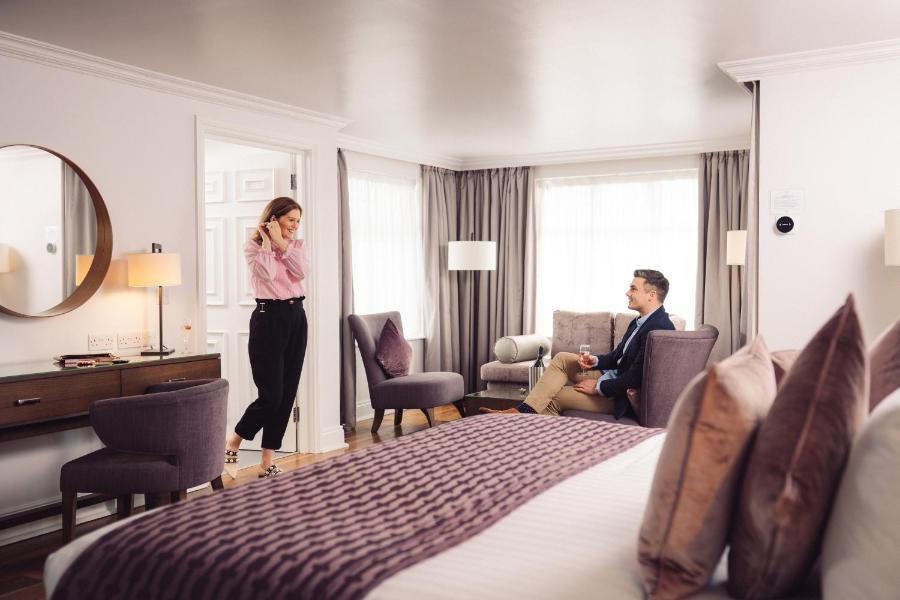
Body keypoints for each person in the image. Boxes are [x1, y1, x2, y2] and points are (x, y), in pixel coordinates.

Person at [483, 269, 674, 421]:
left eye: (633, 289)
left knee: (555, 397)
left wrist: (599, 386)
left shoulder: (659, 329)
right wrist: (595, 360)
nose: (627, 293)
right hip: (611, 376)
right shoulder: (639, 321)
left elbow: (635, 378)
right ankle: (520, 413)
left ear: (651, 295)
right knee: (562, 359)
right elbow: (617, 356)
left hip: (620, 395)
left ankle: (517, 423)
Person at [224, 196, 309, 479]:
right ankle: (235, 440)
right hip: (268, 319)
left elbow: (302, 272)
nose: (295, 226)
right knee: (271, 396)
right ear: (274, 218)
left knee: (287, 393)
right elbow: (268, 275)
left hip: (296, 318)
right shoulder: (253, 247)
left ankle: (267, 460)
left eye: (298, 221)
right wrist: (269, 245)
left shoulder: (296, 246)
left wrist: (283, 244)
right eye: (290, 220)